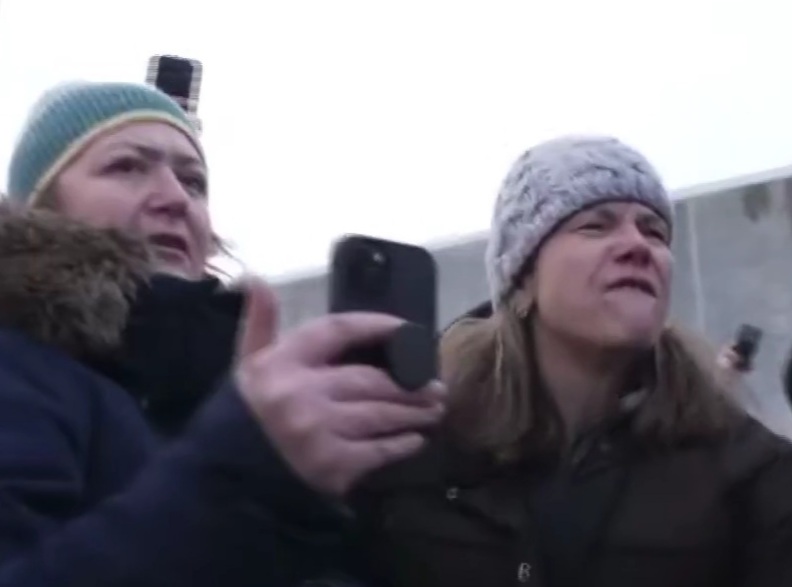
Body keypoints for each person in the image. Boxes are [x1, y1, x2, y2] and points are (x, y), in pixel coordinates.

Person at [0, 81, 447, 586]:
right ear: (39, 213)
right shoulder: (17, 372)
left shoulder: (241, 394)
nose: (175, 198)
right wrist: (248, 474)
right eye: (126, 166)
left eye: (193, 182)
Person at [351, 136, 792, 587]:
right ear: (522, 279)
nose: (637, 245)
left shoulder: (753, 473)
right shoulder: (416, 446)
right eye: (595, 227)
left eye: (654, 232)